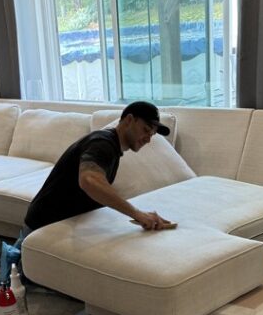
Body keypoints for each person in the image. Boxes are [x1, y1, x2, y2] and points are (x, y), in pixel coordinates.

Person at [23, 101, 173, 237]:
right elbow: (89, 180)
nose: (148, 139)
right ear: (129, 120)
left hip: (60, 222)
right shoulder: (102, 144)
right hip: (43, 226)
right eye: (146, 130)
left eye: (152, 134)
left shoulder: (112, 146)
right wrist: (137, 214)